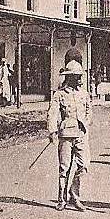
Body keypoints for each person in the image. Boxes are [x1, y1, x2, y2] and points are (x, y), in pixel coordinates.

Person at [46, 60, 92, 211]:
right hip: (66, 135)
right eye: (77, 76)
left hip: (80, 134)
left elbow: (88, 111)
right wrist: (52, 131)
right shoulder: (59, 94)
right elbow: (52, 114)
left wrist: (84, 123)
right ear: (69, 77)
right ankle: (61, 199)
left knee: (83, 165)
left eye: (80, 76)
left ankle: (74, 195)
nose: (80, 79)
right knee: (64, 168)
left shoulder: (84, 94)